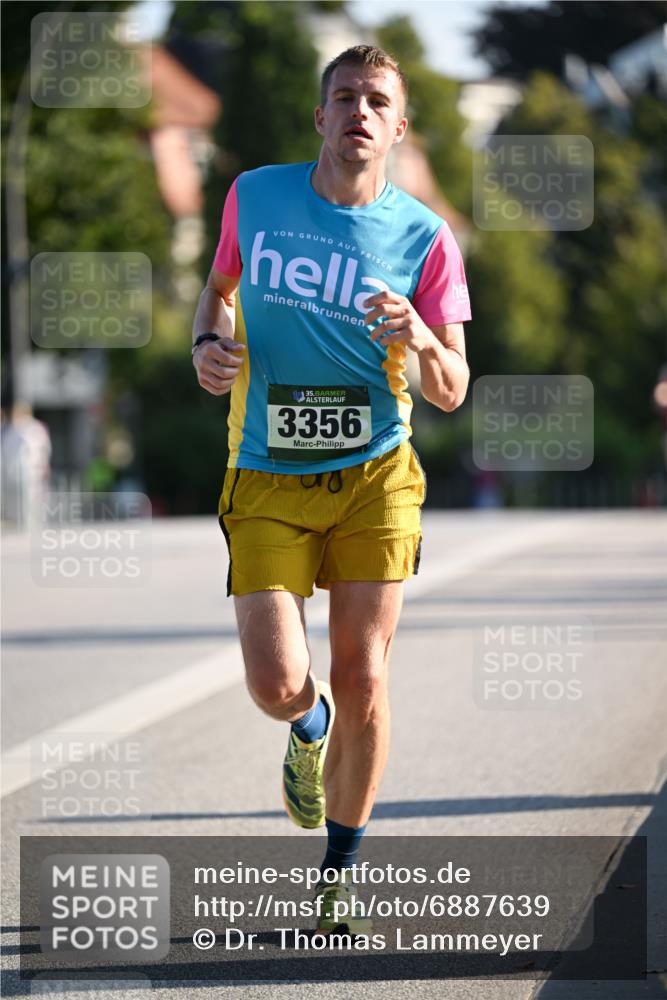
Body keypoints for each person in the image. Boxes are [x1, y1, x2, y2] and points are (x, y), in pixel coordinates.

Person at [191, 45, 471, 933]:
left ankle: (339, 870)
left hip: (376, 475)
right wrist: (206, 345)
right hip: (267, 469)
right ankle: (304, 730)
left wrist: (423, 336)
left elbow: (453, 388)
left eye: (375, 99)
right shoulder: (255, 198)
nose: (357, 109)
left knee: (365, 678)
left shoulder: (426, 237)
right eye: (342, 95)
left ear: (395, 127)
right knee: (279, 682)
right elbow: (217, 295)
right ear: (320, 117)